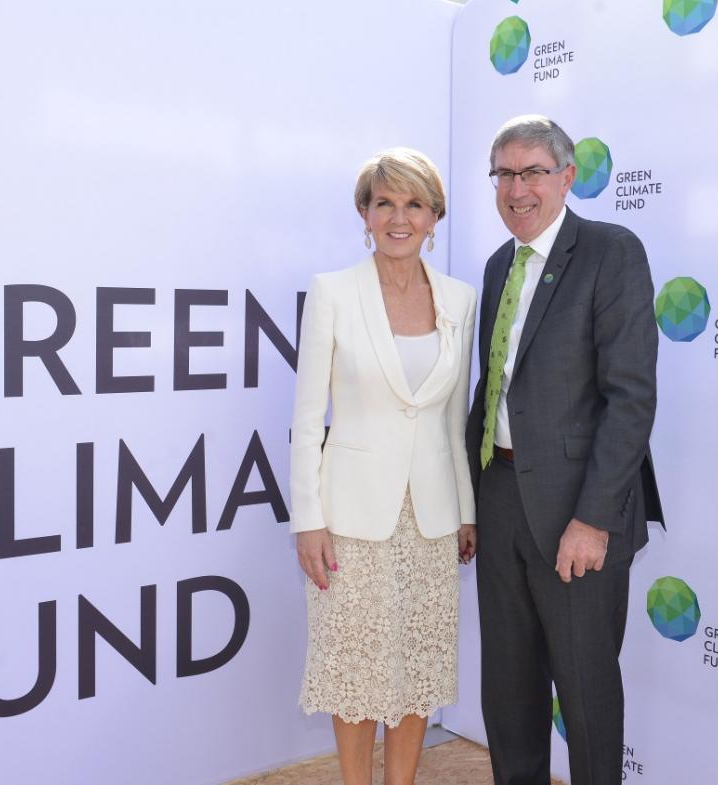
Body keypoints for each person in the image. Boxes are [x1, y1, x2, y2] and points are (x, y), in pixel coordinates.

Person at [465, 115, 664, 785]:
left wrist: (595, 518)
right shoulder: (499, 266)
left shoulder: (611, 251)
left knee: (585, 693)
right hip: (500, 498)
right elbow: (493, 393)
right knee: (509, 691)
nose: (517, 189)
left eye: (533, 172)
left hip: (577, 514)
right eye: (504, 174)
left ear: (567, 177)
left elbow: (629, 397)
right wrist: (468, 499)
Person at [289, 147, 478, 785]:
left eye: (414, 205)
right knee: (357, 666)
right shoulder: (333, 293)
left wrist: (467, 511)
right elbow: (309, 419)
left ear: (434, 217)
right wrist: (306, 520)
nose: (400, 218)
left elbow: (453, 419)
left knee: (418, 666)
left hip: (432, 516)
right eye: (385, 203)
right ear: (365, 215)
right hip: (350, 516)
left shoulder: (459, 299)